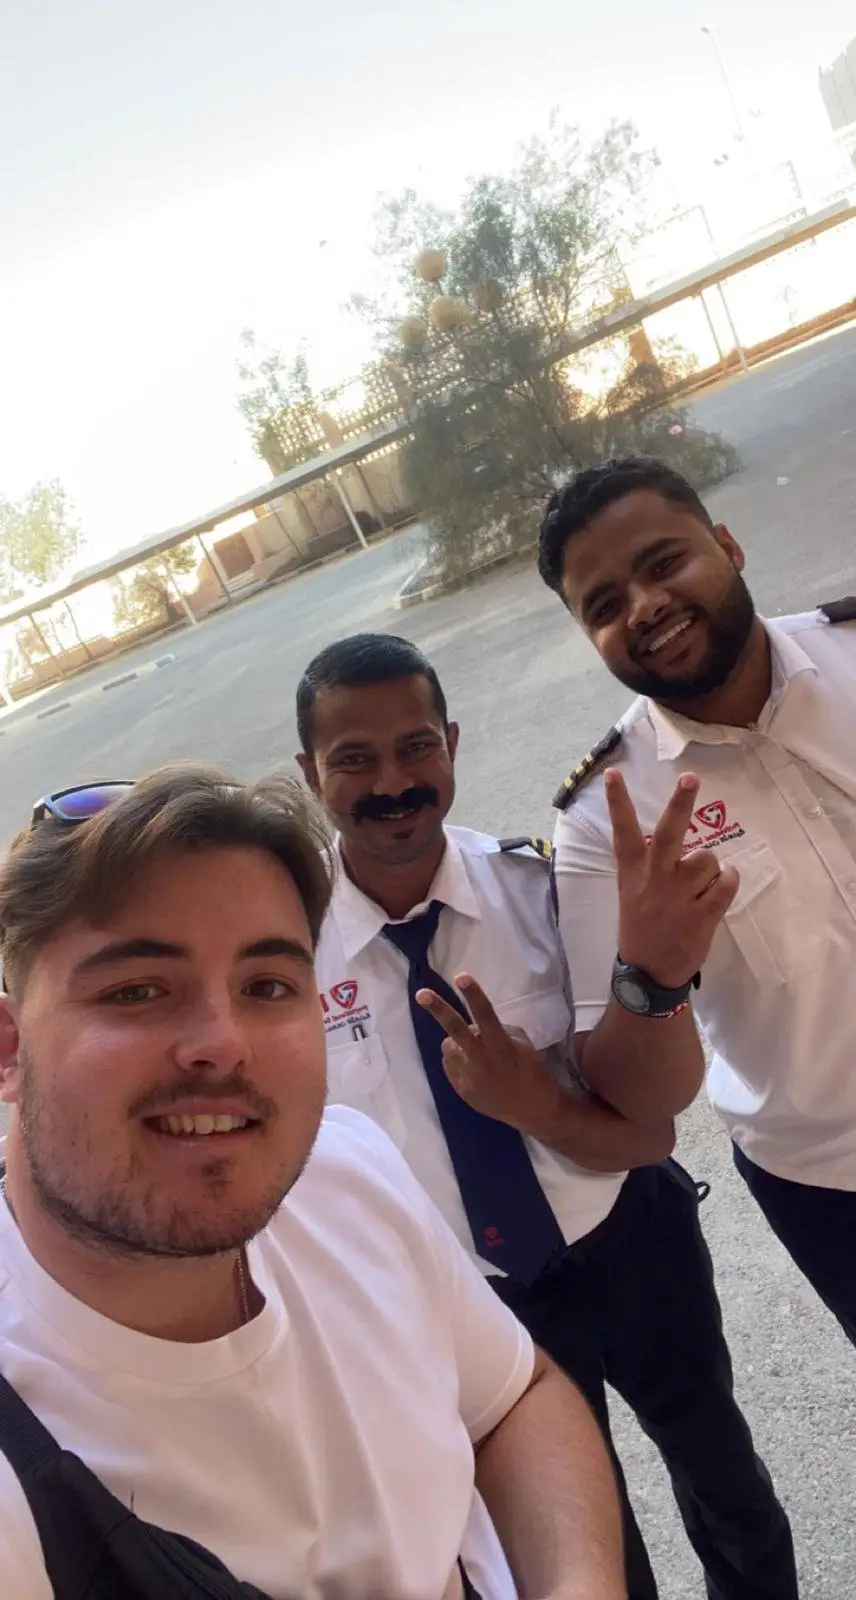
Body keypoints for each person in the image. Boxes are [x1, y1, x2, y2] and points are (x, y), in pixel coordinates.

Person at [0, 768, 627, 1600]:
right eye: (137, 990)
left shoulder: (343, 1168)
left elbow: (514, 1400)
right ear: (9, 1049)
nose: (223, 1044)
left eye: (267, 986)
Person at [296, 632, 797, 1600]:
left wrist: (533, 1101)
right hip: (480, 1300)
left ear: (451, 741)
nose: (392, 782)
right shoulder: (289, 960)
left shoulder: (538, 889)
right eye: (353, 758)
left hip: (627, 1238)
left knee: (722, 1472)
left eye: (415, 747)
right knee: (580, 1535)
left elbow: (645, 1124)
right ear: (309, 773)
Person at [539, 452, 856, 1353]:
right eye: (603, 606)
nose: (642, 606)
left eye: (663, 563)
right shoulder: (608, 823)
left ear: (728, 546)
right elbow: (646, 1100)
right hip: (834, 1182)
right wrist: (652, 974)